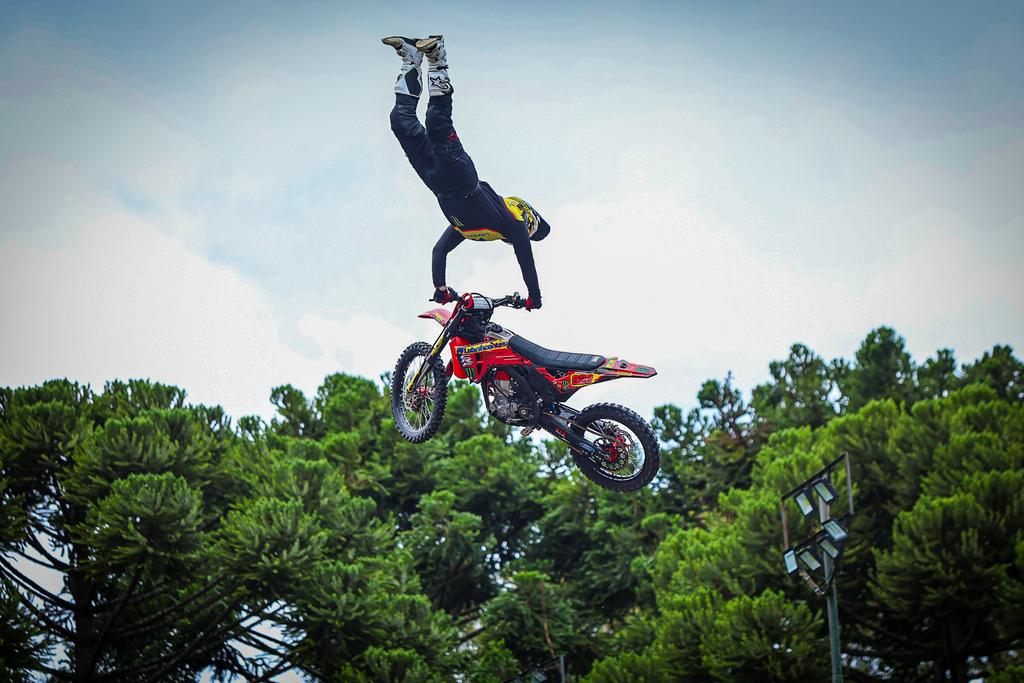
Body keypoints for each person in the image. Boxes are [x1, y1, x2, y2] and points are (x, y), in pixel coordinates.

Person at [383, 35, 550, 311]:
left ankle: (411, 59)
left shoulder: (470, 230)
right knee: (437, 122)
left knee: (400, 122)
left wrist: (440, 287)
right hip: (461, 177)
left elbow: (439, 251)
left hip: (434, 181)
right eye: (530, 225)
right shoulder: (513, 223)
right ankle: (437, 58)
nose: (527, 230)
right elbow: (526, 261)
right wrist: (535, 298)